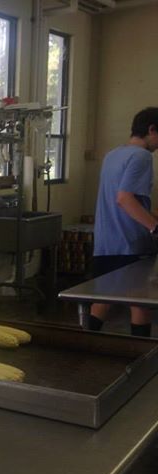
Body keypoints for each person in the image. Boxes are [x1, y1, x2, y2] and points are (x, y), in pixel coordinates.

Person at [90, 107, 158, 336]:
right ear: (151, 129)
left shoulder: (113, 154)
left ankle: (84, 345)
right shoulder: (142, 156)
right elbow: (124, 199)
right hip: (130, 243)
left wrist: (151, 215)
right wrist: (154, 227)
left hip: (106, 242)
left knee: (103, 299)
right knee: (140, 302)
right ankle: (141, 358)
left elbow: (121, 199)